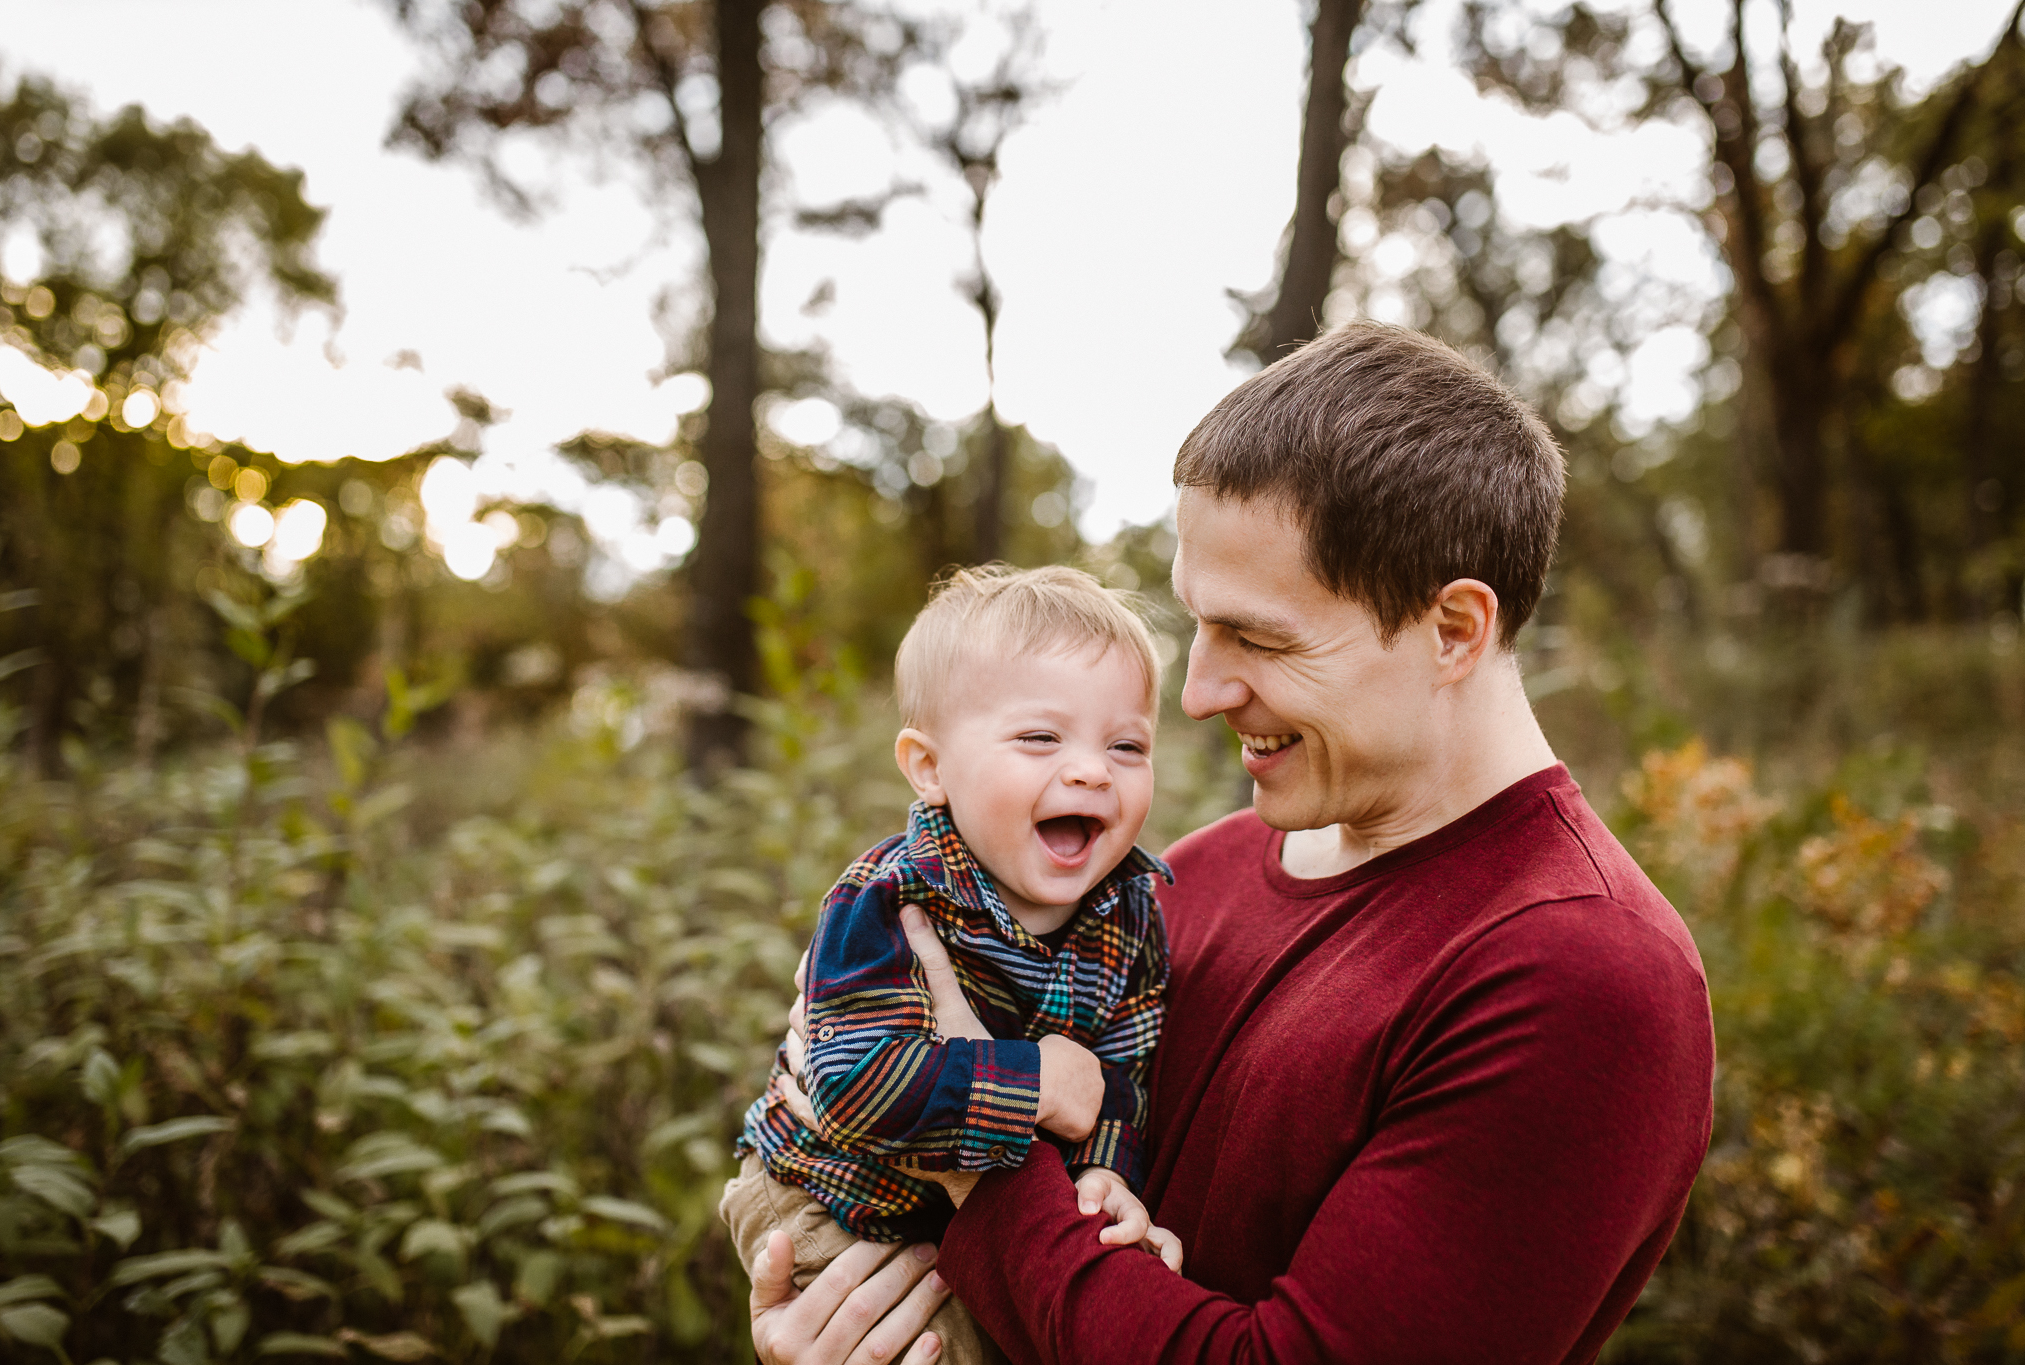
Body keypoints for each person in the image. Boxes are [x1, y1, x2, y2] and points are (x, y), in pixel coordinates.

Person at [747, 323, 1716, 1365]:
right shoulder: (1183, 877)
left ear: (1451, 631)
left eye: (1258, 638)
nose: (1200, 694)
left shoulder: (1578, 975)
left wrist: (973, 1145)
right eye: (1196, 628)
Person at [721, 565, 1186, 1365]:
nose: (1091, 769)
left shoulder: (1133, 912)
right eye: (1040, 737)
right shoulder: (892, 898)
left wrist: (1104, 1171)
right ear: (930, 767)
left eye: (1126, 744)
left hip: (964, 1218)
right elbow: (851, 1087)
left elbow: (1120, 1074)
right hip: (832, 1199)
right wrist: (1036, 1078)